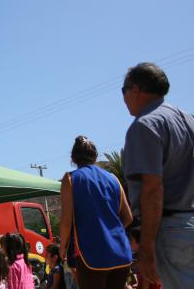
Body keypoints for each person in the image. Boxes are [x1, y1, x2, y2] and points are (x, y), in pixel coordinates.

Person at [121, 62, 194, 288]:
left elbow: (152, 188)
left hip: (171, 231)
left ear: (135, 90)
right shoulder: (189, 120)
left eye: (123, 91)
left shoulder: (145, 125)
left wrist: (147, 247)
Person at [59, 136, 133, 289]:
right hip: (121, 253)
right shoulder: (113, 179)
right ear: (95, 156)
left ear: (73, 158)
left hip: (91, 254)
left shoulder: (70, 179)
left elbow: (66, 221)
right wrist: (111, 231)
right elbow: (128, 218)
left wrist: (62, 247)